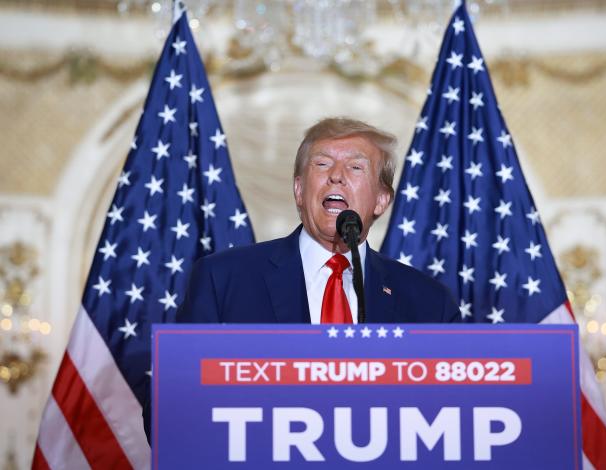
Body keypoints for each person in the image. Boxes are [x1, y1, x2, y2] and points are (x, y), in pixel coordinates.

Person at [144, 117, 459, 440]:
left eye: (355, 168)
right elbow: (170, 406)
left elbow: (456, 419)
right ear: (298, 189)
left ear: (381, 200)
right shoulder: (224, 279)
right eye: (322, 164)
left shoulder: (428, 303)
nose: (336, 176)